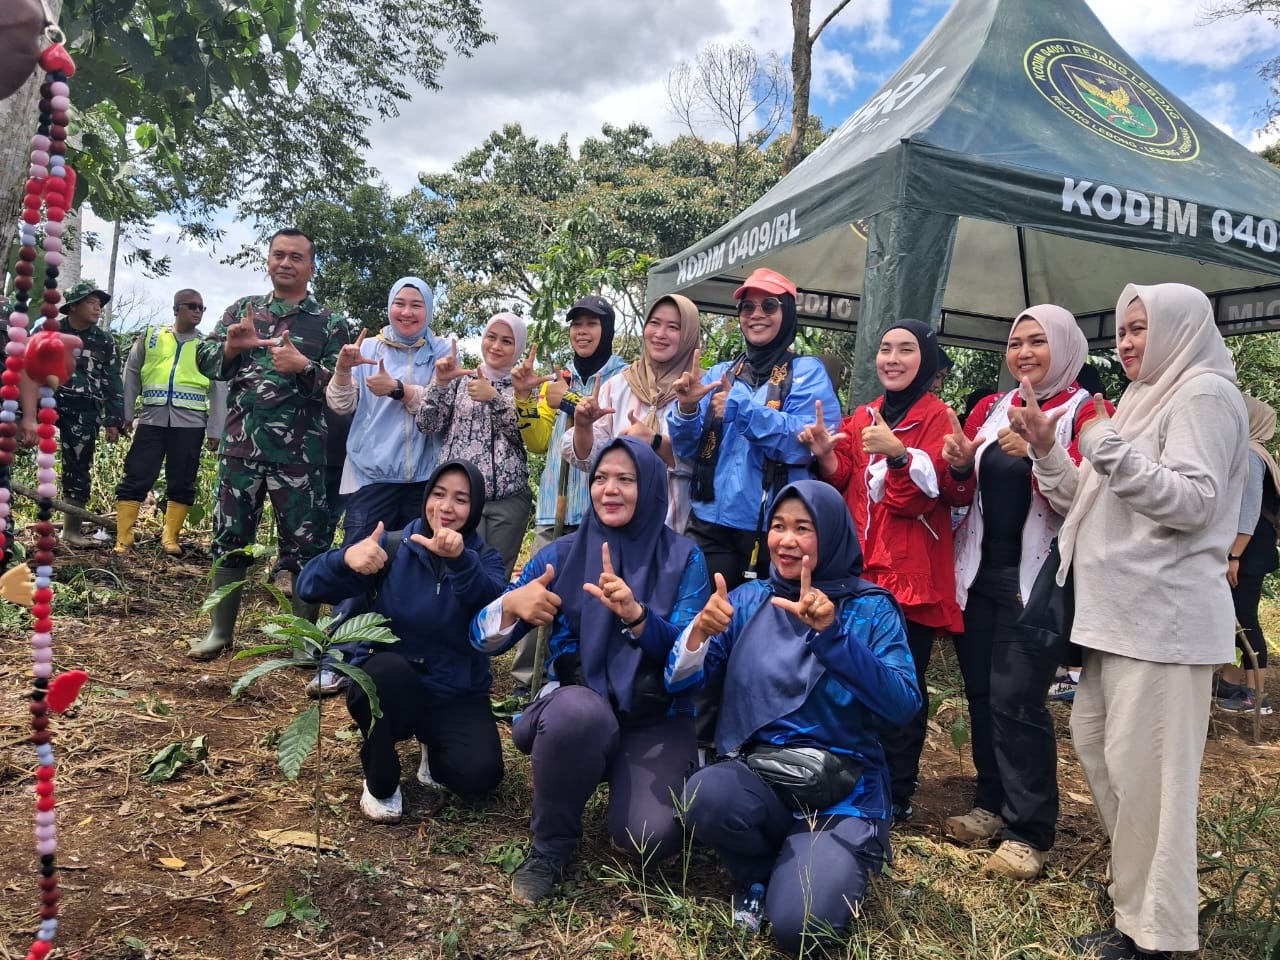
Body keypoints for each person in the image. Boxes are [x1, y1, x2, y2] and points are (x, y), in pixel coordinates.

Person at [1010, 283, 1247, 960]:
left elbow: (1194, 503)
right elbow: (1086, 503)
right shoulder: (1145, 397)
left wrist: (1100, 438)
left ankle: (1158, 937)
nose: (1127, 341)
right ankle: (1134, 908)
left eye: (1140, 328)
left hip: (1163, 625)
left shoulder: (1203, 394)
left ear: (1179, 329)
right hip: (1115, 622)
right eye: (1122, 329)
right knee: (1110, 762)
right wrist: (1049, 451)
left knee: (1153, 787)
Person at [671, 479, 919, 955]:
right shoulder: (748, 600)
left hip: (842, 793)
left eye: (803, 528)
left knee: (800, 928)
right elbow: (686, 685)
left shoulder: (870, 609)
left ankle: (827, 858)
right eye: (778, 526)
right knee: (707, 795)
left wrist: (833, 636)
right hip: (762, 778)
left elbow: (903, 704)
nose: (786, 541)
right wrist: (698, 634)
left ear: (831, 533)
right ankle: (757, 874)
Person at [470, 436, 710, 904]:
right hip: (579, 707)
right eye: (600, 478)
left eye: (626, 479)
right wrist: (511, 607)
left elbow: (686, 674)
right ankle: (550, 846)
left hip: (656, 716)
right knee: (578, 716)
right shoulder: (560, 556)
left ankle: (630, 774)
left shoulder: (685, 559)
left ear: (652, 488)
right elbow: (480, 639)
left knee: (649, 839)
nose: (609, 489)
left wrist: (639, 618)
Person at [937, 305, 1109, 879]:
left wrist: (1042, 450)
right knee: (982, 694)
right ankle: (991, 802)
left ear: (1066, 347)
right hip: (979, 573)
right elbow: (963, 496)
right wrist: (963, 466)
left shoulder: (1086, 411)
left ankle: (1029, 831)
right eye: (1016, 342)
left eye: (1038, 341)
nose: (1024, 353)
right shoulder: (991, 407)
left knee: (1017, 698)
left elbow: (1085, 502)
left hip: (1037, 580)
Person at [797, 320, 961, 825]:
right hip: (859, 572)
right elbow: (843, 477)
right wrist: (827, 454)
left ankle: (898, 789)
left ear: (925, 361)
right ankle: (857, 775)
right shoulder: (863, 414)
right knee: (851, 674)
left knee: (901, 683)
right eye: (886, 348)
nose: (892, 358)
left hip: (910, 575)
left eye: (906, 350)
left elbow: (917, 500)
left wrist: (898, 456)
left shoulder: (938, 417)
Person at [295, 459, 508, 822]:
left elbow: (488, 610)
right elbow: (309, 587)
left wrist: (459, 561)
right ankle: (381, 779)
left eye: (461, 499)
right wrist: (345, 559)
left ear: (475, 509)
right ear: (425, 497)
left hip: (453, 691)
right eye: (438, 494)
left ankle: (433, 749)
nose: (446, 507)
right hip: (393, 684)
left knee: (478, 774)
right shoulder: (392, 547)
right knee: (384, 672)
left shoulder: (485, 559)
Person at [190, 228, 350, 660]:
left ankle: (302, 640)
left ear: (311, 267)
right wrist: (229, 346)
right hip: (240, 448)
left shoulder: (329, 322)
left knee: (306, 546)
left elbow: (339, 388)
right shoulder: (243, 311)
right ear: (268, 260)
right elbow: (206, 362)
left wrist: (303, 366)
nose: (285, 263)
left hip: (300, 456)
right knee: (229, 539)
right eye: (279, 255)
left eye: (296, 257)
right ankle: (220, 632)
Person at [668, 267, 841, 589]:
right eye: (747, 307)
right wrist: (687, 409)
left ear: (787, 313)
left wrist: (740, 408)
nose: (756, 314)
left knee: (766, 618)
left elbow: (802, 444)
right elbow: (688, 450)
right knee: (701, 613)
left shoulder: (807, 373)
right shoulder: (721, 374)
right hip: (709, 522)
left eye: (769, 305)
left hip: (774, 528)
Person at [510, 294, 627, 692]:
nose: (583, 331)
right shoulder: (555, 380)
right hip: (553, 506)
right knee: (538, 589)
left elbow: (614, 430)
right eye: (577, 324)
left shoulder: (623, 378)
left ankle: (580, 679)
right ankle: (527, 681)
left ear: (607, 330)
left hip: (600, 509)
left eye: (592, 323)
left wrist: (570, 402)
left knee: (590, 599)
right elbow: (538, 441)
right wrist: (525, 399)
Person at [325, 277, 448, 545]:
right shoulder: (367, 348)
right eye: (399, 303)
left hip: (427, 478)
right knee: (362, 555)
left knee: (415, 557)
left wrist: (398, 388)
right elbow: (341, 404)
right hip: (371, 476)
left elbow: (443, 408)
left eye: (416, 305)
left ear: (428, 309)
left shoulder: (443, 351)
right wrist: (343, 370)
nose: (407, 312)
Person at [418, 312, 541, 578]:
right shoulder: (460, 379)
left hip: (507, 500)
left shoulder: (527, 385)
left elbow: (527, 437)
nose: (496, 346)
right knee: (452, 572)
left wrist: (494, 398)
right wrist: (440, 383)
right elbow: (427, 425)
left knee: (495, 576)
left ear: (518, 347)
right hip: (458, 499)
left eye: (507, 341)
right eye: (491, 337)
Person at [563, 293, 700, 532]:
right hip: (619, 530)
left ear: (689, 333)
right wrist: (583, 427)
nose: (660, 334)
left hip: (677, 529)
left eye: (673, 327)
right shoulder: (618, 386)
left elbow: (706, 465)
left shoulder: (701, 389)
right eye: (654, 323)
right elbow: (589, 460)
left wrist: (655, 441)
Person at [112, 289, 226, 555]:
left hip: (191, 424)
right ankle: (124, 538)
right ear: (176, 309)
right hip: (151, 419)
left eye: (201, 308)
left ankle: (170, 538)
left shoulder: (206, 346)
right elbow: (131, 374)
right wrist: (125, 413)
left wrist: (216, 429)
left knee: (183, 480)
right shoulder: (151, 337)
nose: (197, 311)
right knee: (137, 475)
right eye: (191, 306)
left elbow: (219, 388)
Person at [1216, 394, 1278, 715]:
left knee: (1245, 618)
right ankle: (1230, 681)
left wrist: (1234, 557)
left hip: (1248, 551)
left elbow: (1249, 511)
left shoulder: (1252, 456)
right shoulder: (1254, 453)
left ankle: (1256, 697)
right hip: (1251, 548)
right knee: (1233, 616)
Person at [55, 281, 124, 546]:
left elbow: (112, 381)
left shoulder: (104, 340)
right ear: (73, 306)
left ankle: (71, 532)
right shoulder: (50, 331)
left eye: (99, 304)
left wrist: (113, 419)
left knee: (79, 467)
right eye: (91, 302)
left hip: (84, 410)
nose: (97, 308)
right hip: (46, 403)